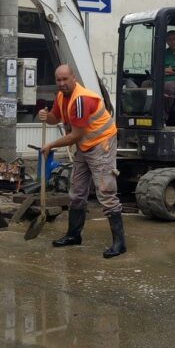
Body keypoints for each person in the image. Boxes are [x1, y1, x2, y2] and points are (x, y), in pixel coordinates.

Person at [37, 64, 125, 259]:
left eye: (65, 79)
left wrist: (51, 145)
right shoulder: (61, 96)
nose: (61, 83)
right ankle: (73, 235)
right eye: (58, 80)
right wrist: (46, 116)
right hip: (85, 146)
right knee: (77, 192)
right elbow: (55, 118)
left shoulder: (81, 100)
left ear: (73, 78)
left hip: (101, 145)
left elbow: (75, 135)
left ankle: (120, 243)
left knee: (106, 191)